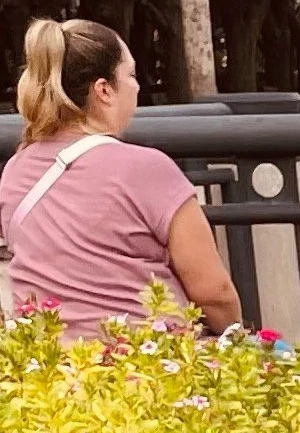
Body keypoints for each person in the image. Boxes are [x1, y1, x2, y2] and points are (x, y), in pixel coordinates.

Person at [2, 18, 241, 335]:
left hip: (51, 367)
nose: (137, 86)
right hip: (146, 365)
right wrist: (237, 338)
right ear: (104, 90)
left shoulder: (16, 170)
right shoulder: (146, 169)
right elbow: (215, 293)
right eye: (130, 75)